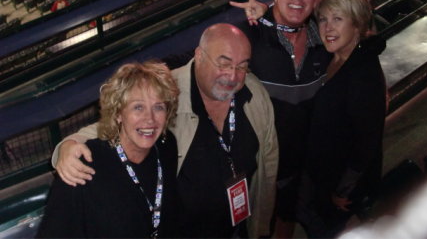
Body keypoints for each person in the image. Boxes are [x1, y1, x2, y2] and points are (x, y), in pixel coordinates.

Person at [51, 23, 278, 238]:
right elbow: (119, 123)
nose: (233, 76)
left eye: (242, 66)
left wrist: (260, 227)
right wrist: (69, 145)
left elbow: (268, 163)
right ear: (199, 56)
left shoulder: (255, 94)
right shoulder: (166, 91)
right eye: (224, 63)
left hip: (236, 230)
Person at [229, 0, 331, 238]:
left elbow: (359, 31)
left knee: (285, 222)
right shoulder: (249, 37)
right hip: (252, 172)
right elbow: (203, 60)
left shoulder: (323, 43)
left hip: (296, 171)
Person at [37, 61, 180, 238]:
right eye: (138, 107)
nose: (149, 119)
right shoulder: (83, 165)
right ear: (118, 114)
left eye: (158, 107)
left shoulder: (166, 148)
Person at [297, 0, 386, 238]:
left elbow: (366, 143)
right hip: (318, 172)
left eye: (338, 19)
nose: (327, 28)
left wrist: (343, 191)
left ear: (357, 24)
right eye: (323, 19)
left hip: (335, 186)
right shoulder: (333, 56)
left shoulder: (363, 76)